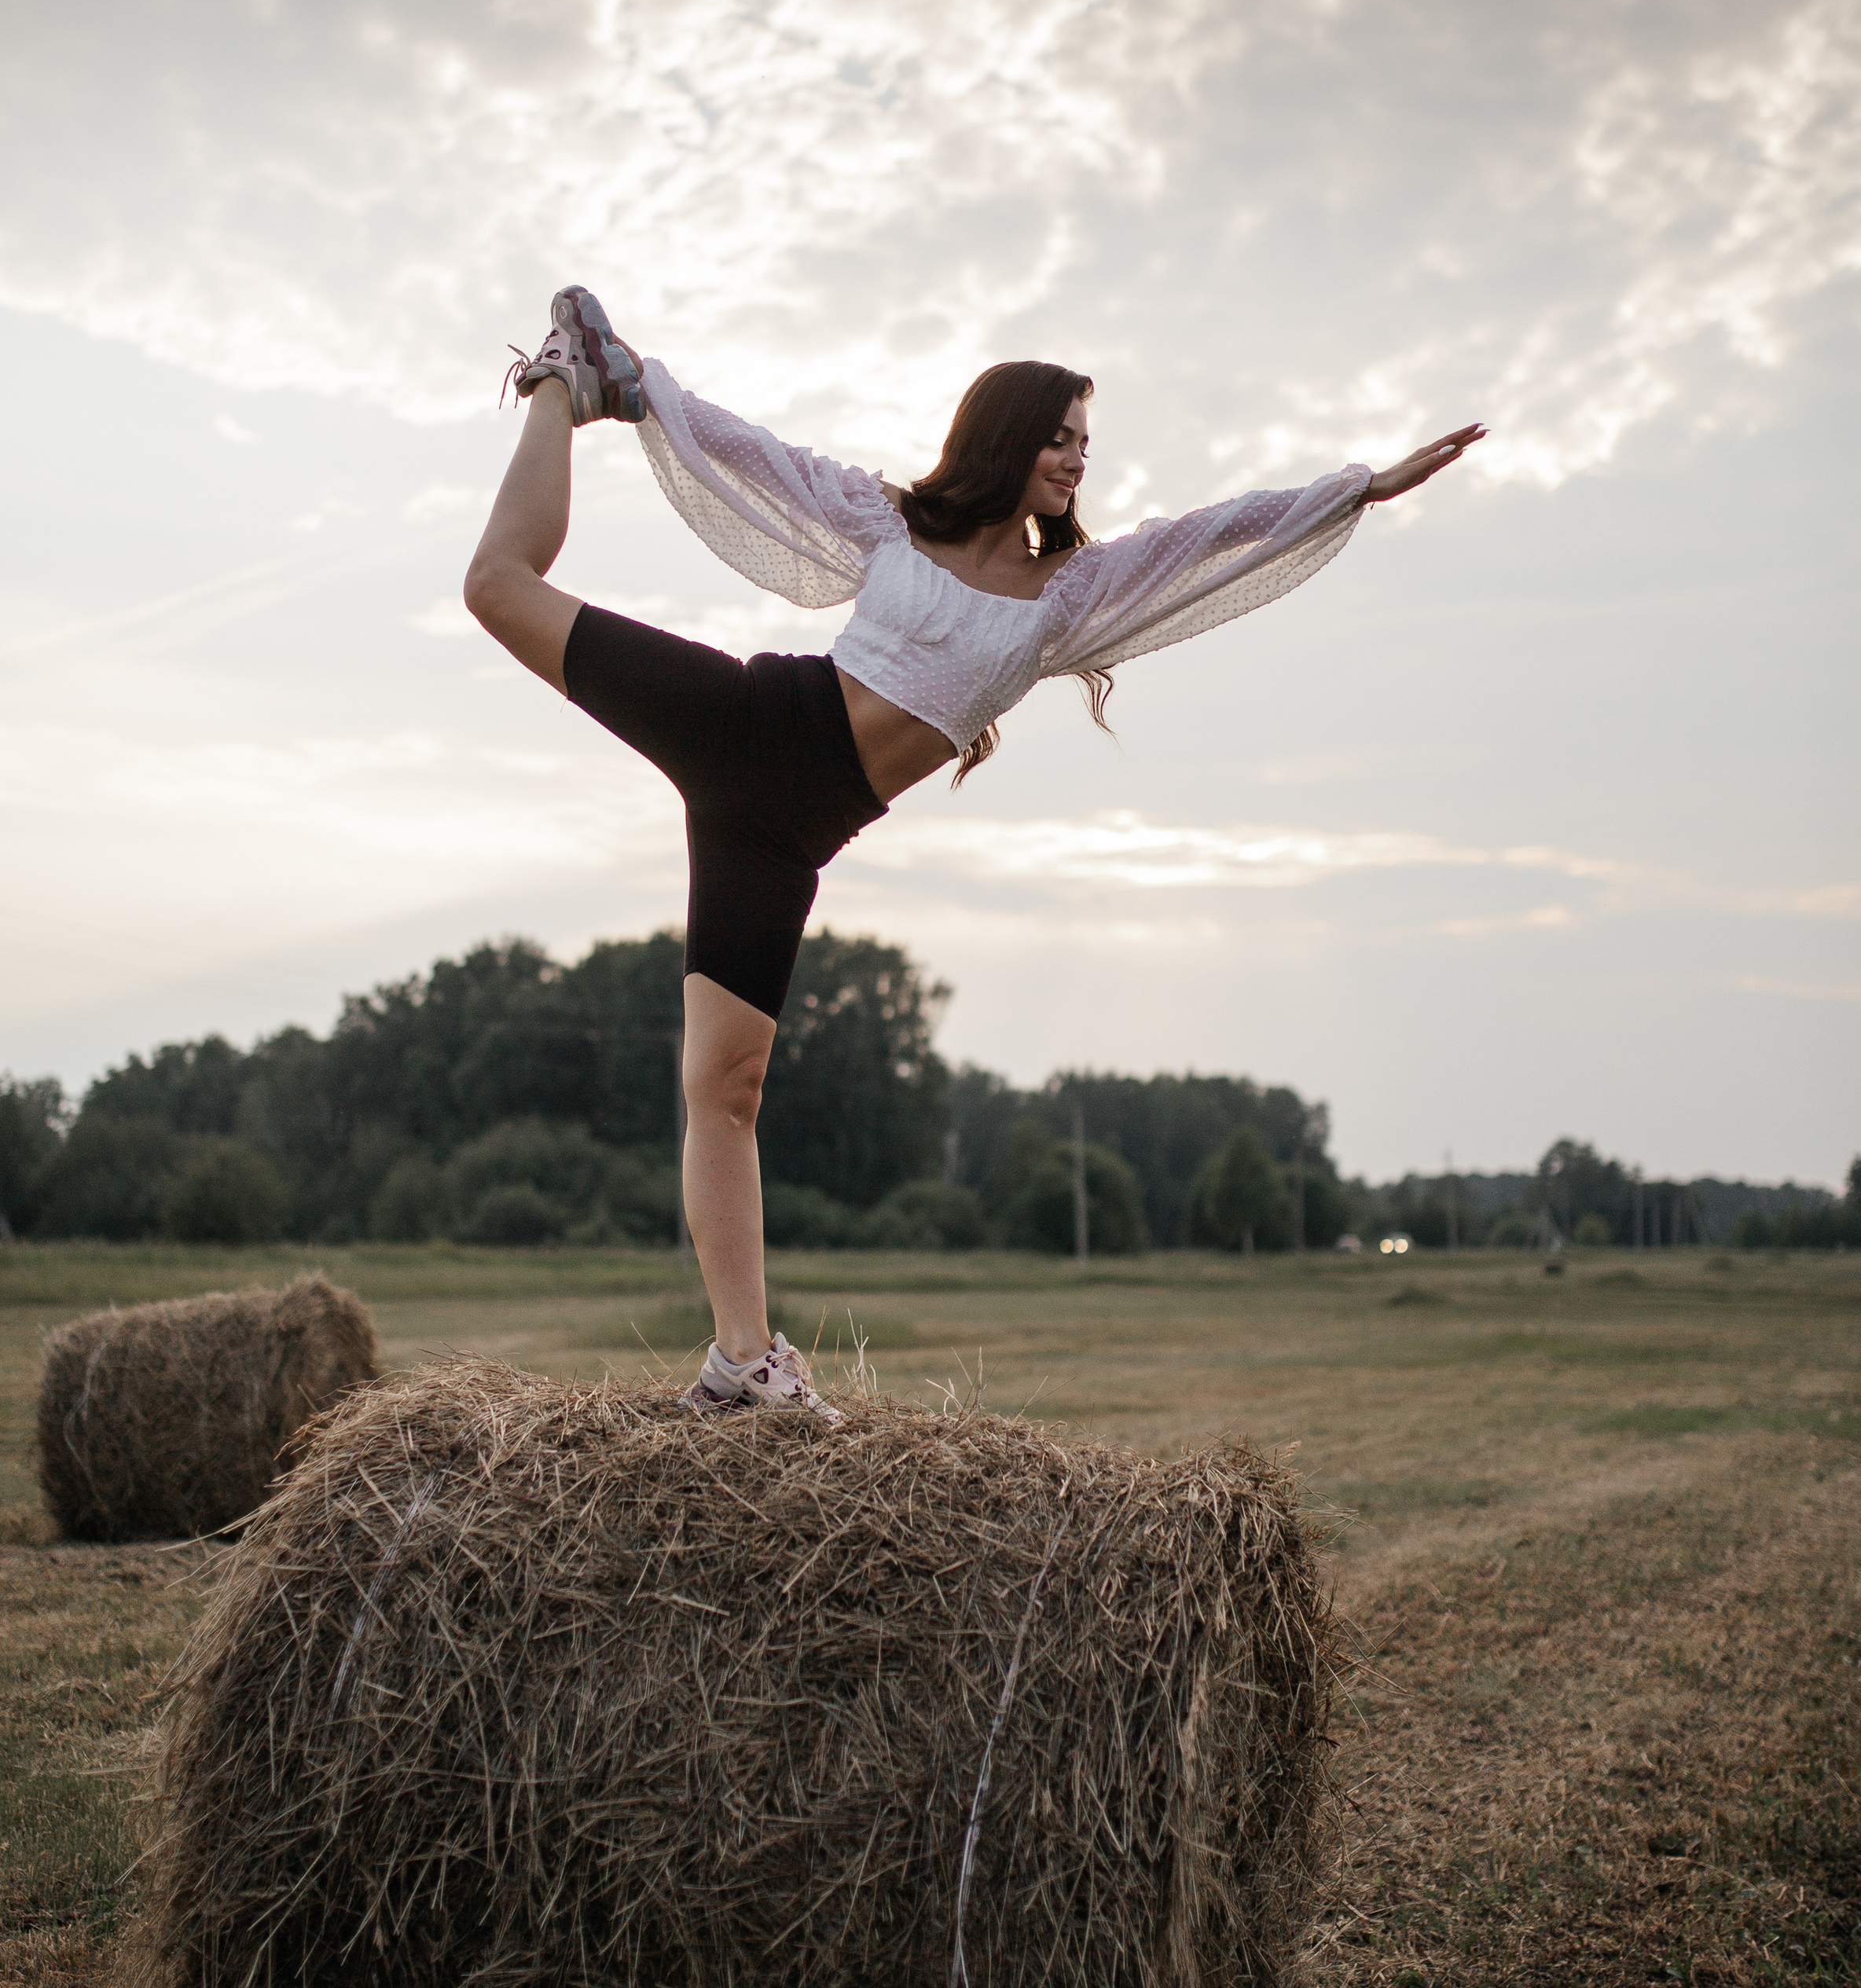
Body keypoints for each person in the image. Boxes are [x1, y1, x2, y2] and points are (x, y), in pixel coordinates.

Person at [464, 285, 1484, 1418]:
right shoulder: (893, 523)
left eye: (1086, 444)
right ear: (1006, 436)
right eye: (1058, 437)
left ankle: (741, 1364)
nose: (1076, 460)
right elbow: (759, 458)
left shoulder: (1071, 594)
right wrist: (642, 388)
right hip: (748, 723)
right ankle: (566, 378)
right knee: (497, 588)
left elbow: (1207, 534)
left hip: (789, 834)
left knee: (728, 1087)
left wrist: (1355, 487)